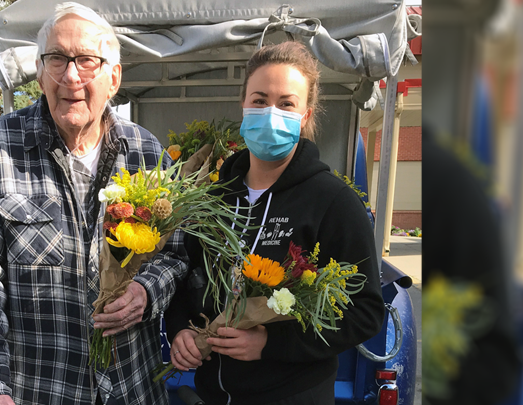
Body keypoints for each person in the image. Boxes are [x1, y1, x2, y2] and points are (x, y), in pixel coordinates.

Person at [0, 3, 188, 405]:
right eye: (57, 59)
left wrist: (147, 292)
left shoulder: (147, 154)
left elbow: (177, 253)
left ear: (114, 78)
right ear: (41, 73)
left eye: (87, 61)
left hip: (133, 388)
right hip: (41, 391)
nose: (71, 75)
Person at [164, 41, 385, 405]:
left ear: (306, 116)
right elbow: (186, 276)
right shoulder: (212, 199)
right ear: (244, 107)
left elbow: (365, 313)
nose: (270, 112)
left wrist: (272, 344)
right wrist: (180, 331)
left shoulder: (332, 201)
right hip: (212, 395)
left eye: (286, 104)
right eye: (260, 100)